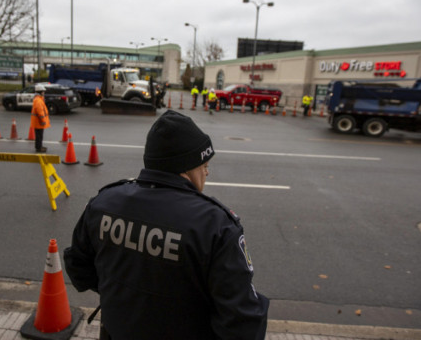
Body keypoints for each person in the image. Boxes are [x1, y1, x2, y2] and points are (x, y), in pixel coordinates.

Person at [64, 110, 269, 340]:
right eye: (203, 164)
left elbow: (77, 268)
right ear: (185, 167)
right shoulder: (216, 226)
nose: (207, 171)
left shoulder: (104, 203)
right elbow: (244, 323)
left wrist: (121, 295)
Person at [30, 84, 50, 152]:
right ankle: (39, 148)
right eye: (43, 91)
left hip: (37, 121)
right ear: (40, 92)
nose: (44, 93)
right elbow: (40, 112)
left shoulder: (38, 99)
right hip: (39, 121)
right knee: (39, 136)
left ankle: (39, 146)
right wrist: (43, 120)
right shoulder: (38, 100)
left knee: (39, 135)